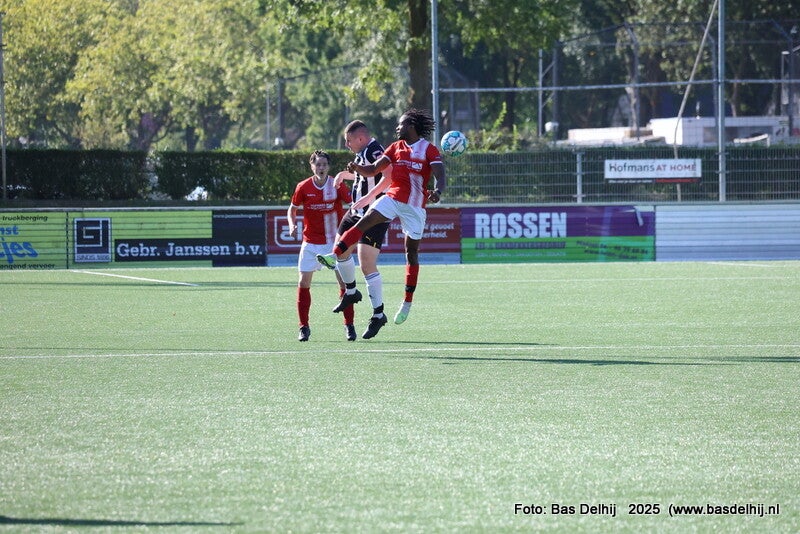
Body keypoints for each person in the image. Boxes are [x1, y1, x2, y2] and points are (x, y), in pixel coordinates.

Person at [317, 108, 446, 326]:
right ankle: (334, 254)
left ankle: (407, 301)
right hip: (393, 197)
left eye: (401, 124)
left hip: (415, 207)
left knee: (411, 253)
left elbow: (441, 175)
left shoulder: (428, 149)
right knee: (365, 220)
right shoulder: (395, 147)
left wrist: (438, 192)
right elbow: (373, 170)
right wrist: (357, 167)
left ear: (411, 126)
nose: (397, 128)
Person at [329, 120, 393, 339]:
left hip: (374, 214)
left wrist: (370, 196)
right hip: (356, 211)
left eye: (349, 141)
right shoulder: (362, 153)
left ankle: (378, 315)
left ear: (361, 138)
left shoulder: (374, 150)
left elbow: (389, 176)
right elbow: (364, 175)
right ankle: (351, 291)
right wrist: (343, 175)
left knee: (366, 263)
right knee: (340, 250)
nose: (347, 145)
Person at [287, 150, 353, 342]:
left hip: (334, 243)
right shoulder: (303, 187)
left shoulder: (337, 184)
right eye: (318, 164)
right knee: (303, 283)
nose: (321, 168)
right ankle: (303, 327)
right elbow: (292, 209)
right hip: (310, 243)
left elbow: (354, 205)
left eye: (324, 164)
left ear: (328, 167)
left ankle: (349, 325)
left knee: (344, 284)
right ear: (312, 166)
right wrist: (291, 224)